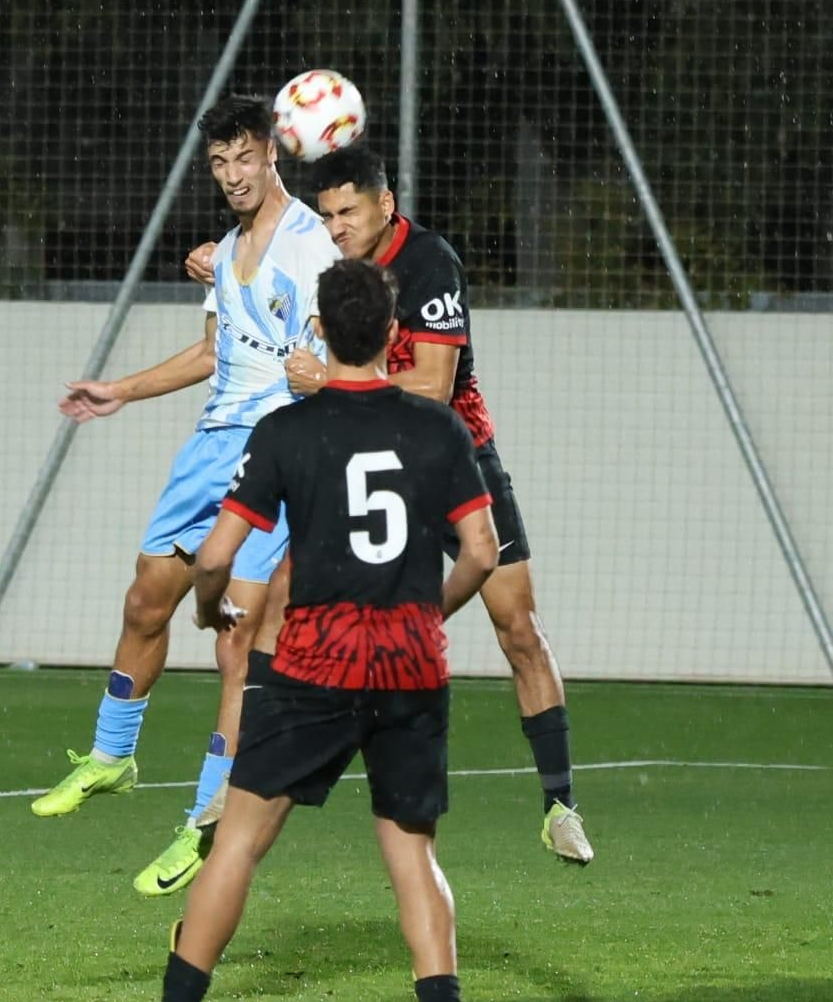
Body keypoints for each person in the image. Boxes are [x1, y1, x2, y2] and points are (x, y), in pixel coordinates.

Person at [99, 259, 498, 1002]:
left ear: (321, 330)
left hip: (315, 663)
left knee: (237, 845)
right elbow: (483, 552)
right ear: (394, 334)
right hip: (410, 666)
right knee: (413, 855)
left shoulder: (287, 430)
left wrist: (209, 609)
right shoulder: (439, 430)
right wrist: (426, 614)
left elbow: (217, 554)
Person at [185, 144, 593, 863]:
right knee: (280, 602)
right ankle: (236, 779)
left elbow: (434, 386)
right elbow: (266, 264)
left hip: (453, 456)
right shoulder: (328, 261)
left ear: (386, 205)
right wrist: (218, 262)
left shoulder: (429, 263)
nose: (336, 226)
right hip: (365, 456)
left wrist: (328, 383)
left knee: (519, 627)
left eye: (348, 211)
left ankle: (561, 805)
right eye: (327, 214)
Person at [31, 94, 340, 898]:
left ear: (273, 153)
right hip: (210, 448)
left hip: (277, 454)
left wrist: (326, 398)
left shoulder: (312, 245)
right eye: (219, 163)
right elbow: (213, 351)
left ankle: (203, 821)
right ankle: (112, 756)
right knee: (146, 599)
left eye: (244, 157)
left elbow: (336, 350)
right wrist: (122, 390)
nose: (233, 175)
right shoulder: (227, 249)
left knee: (236, 641)